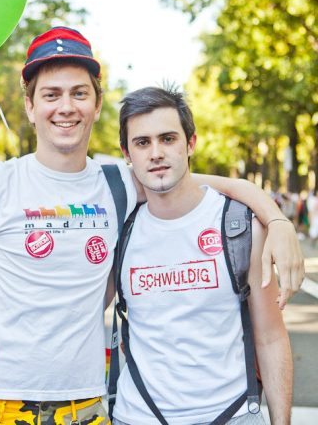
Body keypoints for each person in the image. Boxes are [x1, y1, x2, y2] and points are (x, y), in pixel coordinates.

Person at [0, 27, 302, 425]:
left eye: (80, 93)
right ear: (29, 105)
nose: (66, 107)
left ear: (96, 105)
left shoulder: (118, 181)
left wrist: (276, 217)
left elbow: (188, 179)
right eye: (51, 94)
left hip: (84, 406)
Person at [110, 86, 292, 425]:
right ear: (127, 153)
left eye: (168, 139)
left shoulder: (238, 226)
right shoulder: (120, 229)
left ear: (190, 143)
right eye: (142, 142)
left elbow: (270, 337)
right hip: (137, 417)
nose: (156, 153)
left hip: (231, 416)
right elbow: (74, 301)